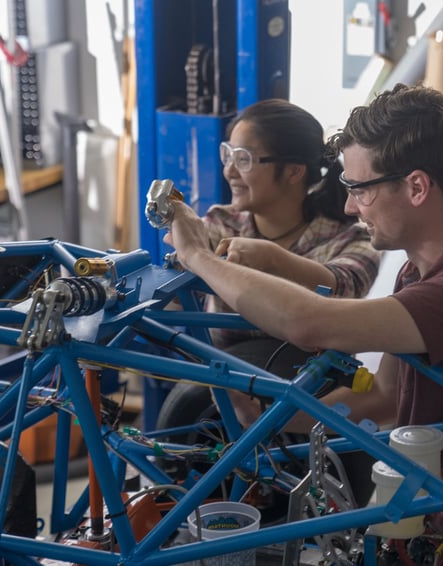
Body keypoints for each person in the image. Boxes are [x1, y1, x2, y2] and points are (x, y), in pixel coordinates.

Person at [163, 83, 443, 491]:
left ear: (417, 188)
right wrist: (262, 414)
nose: (349, 206)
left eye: (361, 189)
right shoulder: (419, 272)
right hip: (433, 511)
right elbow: (382, 396)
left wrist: (199, 257)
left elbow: (309, 322)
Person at [155, 98, 381, 432]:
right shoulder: (220, 224)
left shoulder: (350, 240)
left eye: (243, 159)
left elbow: (343, 283)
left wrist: (272, 259)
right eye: (228, 155)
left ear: (294, 171)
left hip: (317, 407)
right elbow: (172, 293)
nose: (230, 170)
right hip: (225, 399)